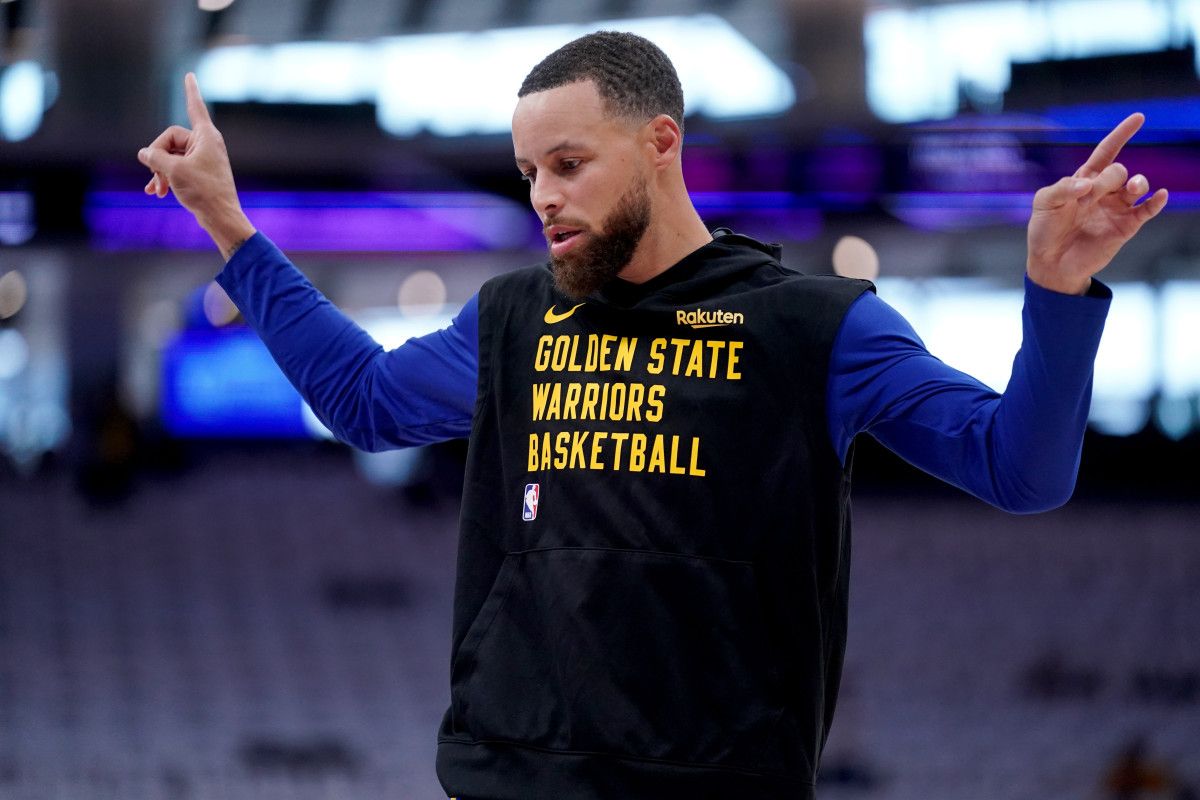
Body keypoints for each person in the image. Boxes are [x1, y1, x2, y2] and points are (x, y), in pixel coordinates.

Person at [138, 31, 1167, 800]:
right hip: (508, 774)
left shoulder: (815, 324)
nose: (542, 194)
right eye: (529, 171)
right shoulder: (516, 315)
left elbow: (1021, 471)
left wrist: (1056, 292)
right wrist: (230, 225)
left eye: (569, 164)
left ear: (660, 143)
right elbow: (362, 403)